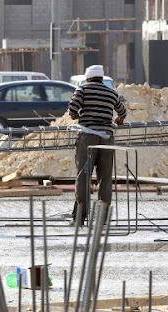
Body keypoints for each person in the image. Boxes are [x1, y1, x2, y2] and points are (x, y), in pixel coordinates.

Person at [68, 65, 127, 226]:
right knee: (105, 178)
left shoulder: (82, 89)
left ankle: (79, 218)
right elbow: (122, 112)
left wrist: (76, 115)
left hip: (87, 137)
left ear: (88, 78)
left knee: (83, 177)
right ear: (101, 78)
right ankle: (103, 218)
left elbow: (72, 110)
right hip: (107, 138)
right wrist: (118, 121)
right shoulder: (111, 92)